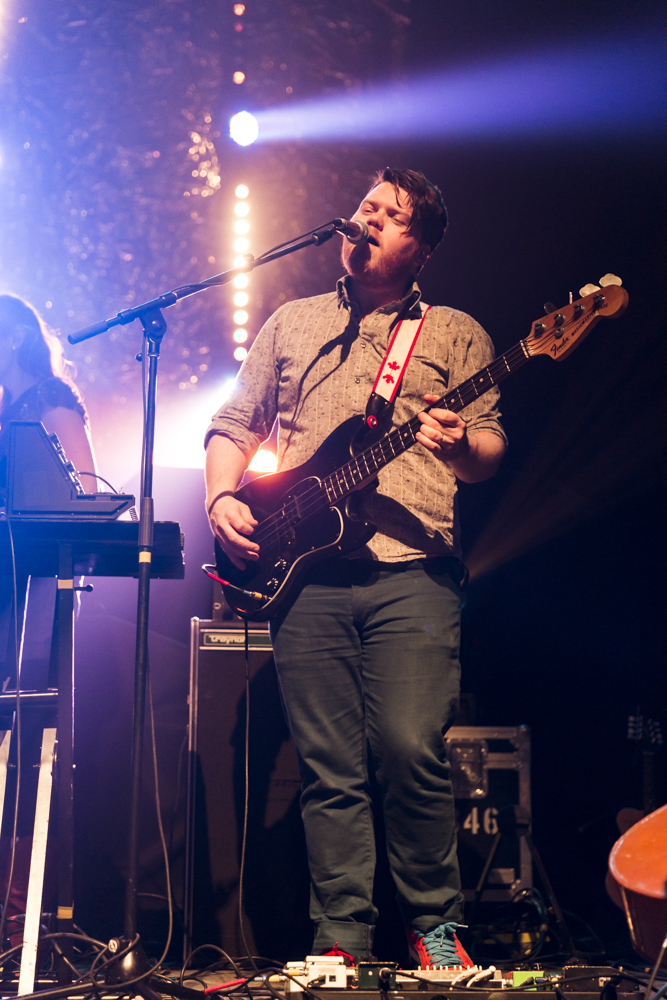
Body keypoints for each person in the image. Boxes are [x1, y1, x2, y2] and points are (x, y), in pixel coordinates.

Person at [204, 169, 507, 967]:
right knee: (327, 769)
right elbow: (234, 423)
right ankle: (340, 937)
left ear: (422, 247)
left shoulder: (455, 333)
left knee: (409, 750)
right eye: (364, 206)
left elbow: (487, 450)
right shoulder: (294, 321)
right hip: (305, 576)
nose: (365, 218)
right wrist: (220, 497)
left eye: (389, 214)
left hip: (413, 571)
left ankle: (435, 930)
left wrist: (458, 446)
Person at [0, 293, 97, 948]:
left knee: (27, 741)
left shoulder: (50, 402)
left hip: (34, 588)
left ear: (13, 338)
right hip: (7, 584)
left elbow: (85, 492)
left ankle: (20, 917)